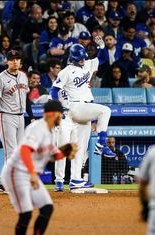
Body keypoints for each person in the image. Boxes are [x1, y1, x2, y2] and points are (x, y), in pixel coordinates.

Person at [1, 100, 77, 235]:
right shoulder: (37, 128)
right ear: (53, 114)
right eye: (61, 113)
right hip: (16, 173)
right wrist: (32, 174)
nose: (62, 116)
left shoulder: (52, 132)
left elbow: (52, 157)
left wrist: (65, 152)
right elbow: (25, 150)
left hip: (29, 174)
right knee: (26, 213)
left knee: (47, 208)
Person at [50, 37, 116, 190]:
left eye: (83, 58)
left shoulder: (87, 64)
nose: (82, 60)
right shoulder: (66, 71)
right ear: (72, 58)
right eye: (79, 58)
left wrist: (101, 46)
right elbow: (54, 90)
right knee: (63, 147)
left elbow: (103, 58)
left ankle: (75, 180)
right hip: (71, 110)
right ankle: (59, 181)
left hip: (84, 110)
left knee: (79, 149)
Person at [0, 49, 34, 192]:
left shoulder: (23, 76)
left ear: (20, 61)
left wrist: (31, 117)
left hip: (21, 117)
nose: (15, 61)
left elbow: (26, 99)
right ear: (7, 61)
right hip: (6, 116)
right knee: (11, 151)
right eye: (12, 59)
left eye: (17, 59)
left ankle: (2, 182)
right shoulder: (0, 78)